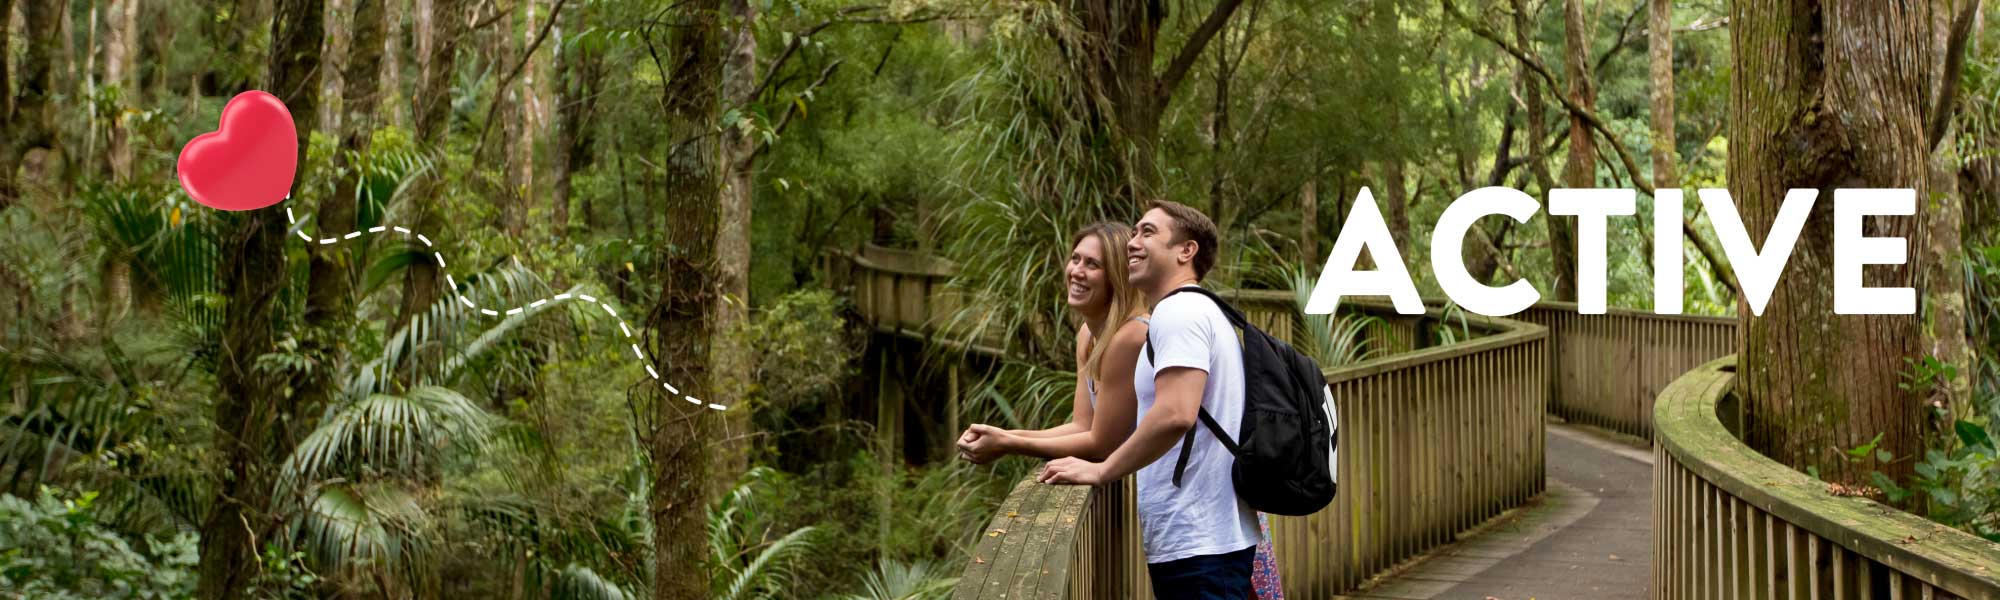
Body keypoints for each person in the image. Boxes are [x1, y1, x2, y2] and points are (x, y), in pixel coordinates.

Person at [1040, 200, 1266, 600]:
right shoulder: (1195, 309)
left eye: (1147, 233)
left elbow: (1176, 414)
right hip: (1203, 540)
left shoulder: (1179, 313)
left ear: (1186, 251)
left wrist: (1102, 470)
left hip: (1200, 543)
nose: (1132, 243)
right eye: (1133, 233)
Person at [956, 222, 1150, 466]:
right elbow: (1082, 426)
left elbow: (1101, 444)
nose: (1077, 271)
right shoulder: (1088, 336)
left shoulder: (1130, 336)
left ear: (1117, 277)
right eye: (1075, 259)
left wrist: (1009, 444)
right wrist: (1002, 435)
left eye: (1093, 264)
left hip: (1179, 491)